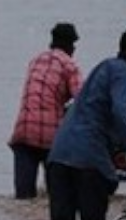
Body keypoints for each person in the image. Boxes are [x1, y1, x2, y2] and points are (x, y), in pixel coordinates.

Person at [46, 22, 126, 220]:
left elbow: (93, 111)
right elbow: (120, 112)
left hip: (58, 157)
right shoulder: (124, 72)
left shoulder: (105, 67)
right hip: (88, 161)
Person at [7, 22, 84, 200]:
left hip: (22, 133)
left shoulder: (36, 60)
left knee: (23, 199)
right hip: (50, 137)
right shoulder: (69, 65)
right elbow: (83, 101)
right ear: (71, 45)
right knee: (55, 197)